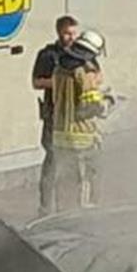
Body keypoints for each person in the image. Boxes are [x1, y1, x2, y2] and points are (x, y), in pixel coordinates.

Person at [48, 28, 111, 212]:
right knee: (86, 180)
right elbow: (90, 106)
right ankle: (83, 217)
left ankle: (61, 215)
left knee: (64, 181)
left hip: (59, 136)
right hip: (81, 138)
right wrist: (107, 103)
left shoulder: (59, 68)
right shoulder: (85, 72)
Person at [33, 16, 82, 216]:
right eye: (67, 33)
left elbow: (96, 74)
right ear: (59, 33)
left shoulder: (82, 55)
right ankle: (46, 207)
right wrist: (62, 83)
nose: (71, 37)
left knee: (76, 161)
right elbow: (37, 82)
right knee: (53, 159)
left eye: (74, 33)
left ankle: (72, 206)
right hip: (54, 116)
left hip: (75, 117)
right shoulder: (48, 55)